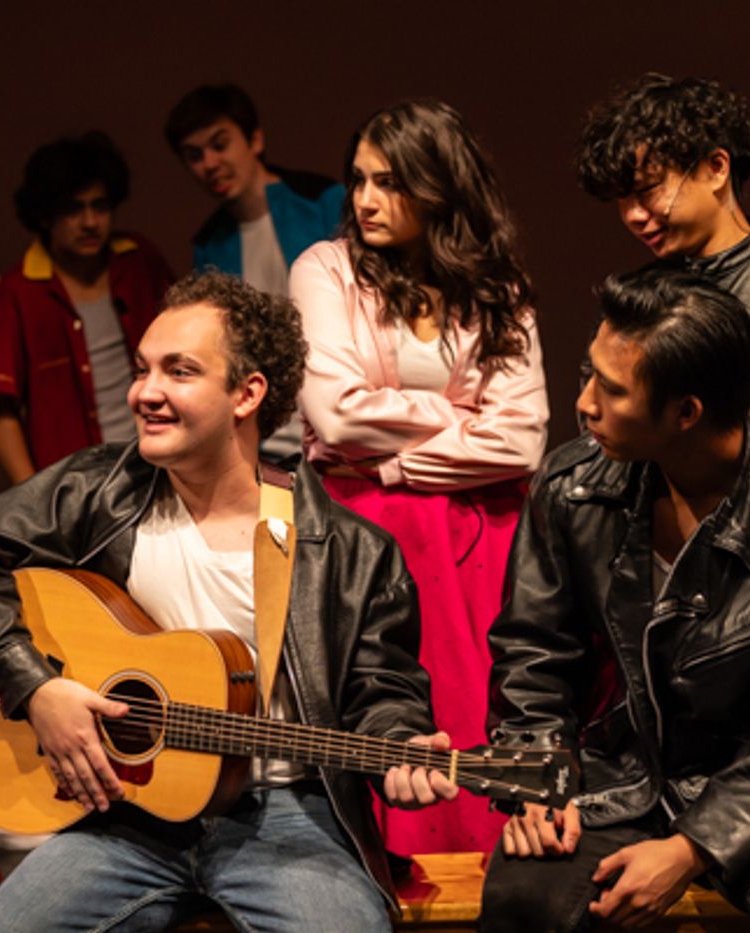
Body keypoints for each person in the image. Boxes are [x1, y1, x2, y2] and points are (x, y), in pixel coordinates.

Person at [0, 273, 459, 932]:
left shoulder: (348, 549)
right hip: (128, 814)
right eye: (145, 368)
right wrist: (34, 689)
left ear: (247, 393)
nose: (145, 391)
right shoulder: (100, 491)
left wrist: (400, 745)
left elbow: (383, 689)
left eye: (178, 372)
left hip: (285, 813)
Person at [480, 268, 750, 933]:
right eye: (588, 374)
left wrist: (690, 847)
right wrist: (533, 777)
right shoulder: (573, 486)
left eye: (611, 389)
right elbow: (534, 648)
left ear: (687, 412)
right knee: (521, 900)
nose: (584, 402)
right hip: (621, 772)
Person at [289, 98, 548, 855]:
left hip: (486, 529)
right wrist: (461, 414)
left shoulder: (497, 286)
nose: (365, 200)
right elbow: (334, 417)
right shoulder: (325, 269)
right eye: (359, 179)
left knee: (488, 704)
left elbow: (524, 437)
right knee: (395, 699)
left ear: (440, 187)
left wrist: (398, 456)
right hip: (367, 525)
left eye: (390, 182)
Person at [577, 73, 750, 470]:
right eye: (621, 200)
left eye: (647, 191)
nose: (633, 216)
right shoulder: (633, 298)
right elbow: (595, 435)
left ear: (716, 167)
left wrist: (662, 423)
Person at [0, 132, 173, 485]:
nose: (90, 222)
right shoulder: (17, 292)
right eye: (73, 209)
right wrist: (34, 495)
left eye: (100, 206)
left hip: (159, 463)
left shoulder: (139, 261)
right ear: (45, 216)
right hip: (75, 484)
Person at [164, 83, 345, 461]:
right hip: (269, 437)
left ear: (255, 140)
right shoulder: (210, 243)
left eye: (220, 144)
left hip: (339, 423)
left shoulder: (324, 202)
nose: (209, 163)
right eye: (194, 155)